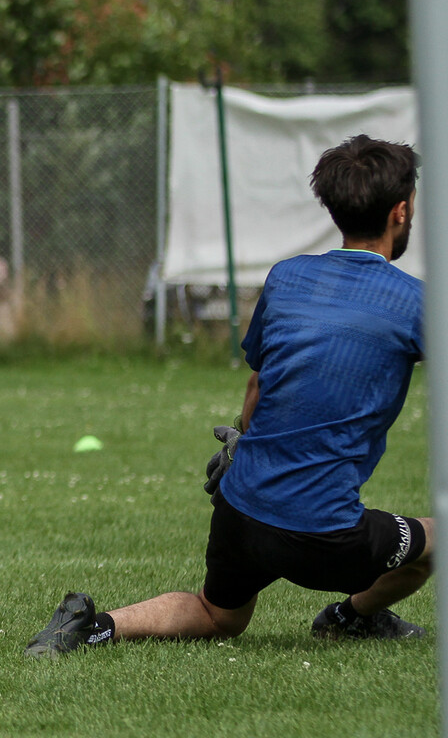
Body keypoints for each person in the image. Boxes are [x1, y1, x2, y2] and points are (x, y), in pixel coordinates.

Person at [25, 135, 432, 657]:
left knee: (218, 614)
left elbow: (258, 384)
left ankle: (93, 626)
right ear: (401, 212)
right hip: (325, 534)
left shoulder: (288, 276)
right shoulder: (417, 301)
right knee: (434, 541)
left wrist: (241, 442)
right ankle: (350, 618)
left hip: (240, 509)